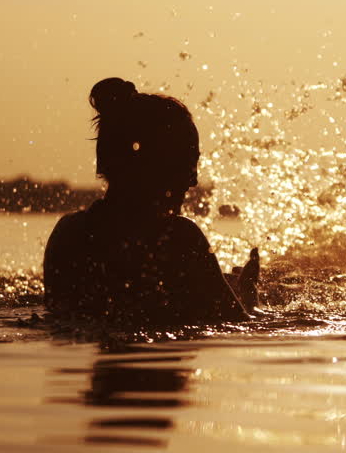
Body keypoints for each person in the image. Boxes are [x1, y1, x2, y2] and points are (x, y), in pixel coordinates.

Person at [44, 77, 258, 326]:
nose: (193, 181)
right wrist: (247, 300)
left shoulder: (70, 233)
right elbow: (234, 325)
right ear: (154, 166)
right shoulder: (179, 237)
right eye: (187, 164)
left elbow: (62, 320)